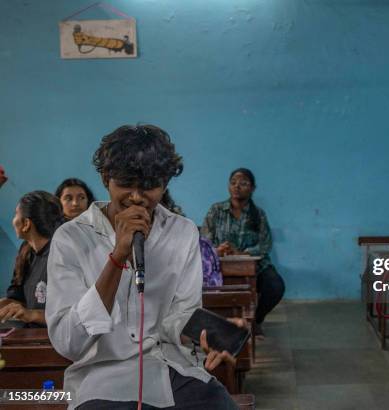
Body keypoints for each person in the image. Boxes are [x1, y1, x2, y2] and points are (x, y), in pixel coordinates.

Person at [46, 125, 239, 410]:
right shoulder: (71, 238)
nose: (137, 197)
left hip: (171, 368)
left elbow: (180, 315)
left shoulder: (182, 232)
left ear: (165, 184)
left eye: (149, 185)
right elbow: (69, 342)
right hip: (103, 378)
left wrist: (208, 335)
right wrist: (117, 256)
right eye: (126, 183)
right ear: (105, 178)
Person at [202, 168, 285, 334]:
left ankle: (256, 320)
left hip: (255, 266)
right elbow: (205, 240)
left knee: (275, 286)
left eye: (243, 183)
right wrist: (218, 249)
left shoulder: (258, 215)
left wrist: (241, 253)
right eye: (233, 183)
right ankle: (221, 324)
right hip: (220, 265)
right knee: (206, 288)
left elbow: (265, 244)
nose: (237, 186)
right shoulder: (216, 211)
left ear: (253, 188)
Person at [0, 191, 63, 327]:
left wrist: (31, 314)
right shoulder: (26, 251)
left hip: (56, 344)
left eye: (16, 214)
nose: (13, 220)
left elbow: (70, 316)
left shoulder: (61, 256)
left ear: (26, 224)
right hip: (31, 339)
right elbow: (18, 299)